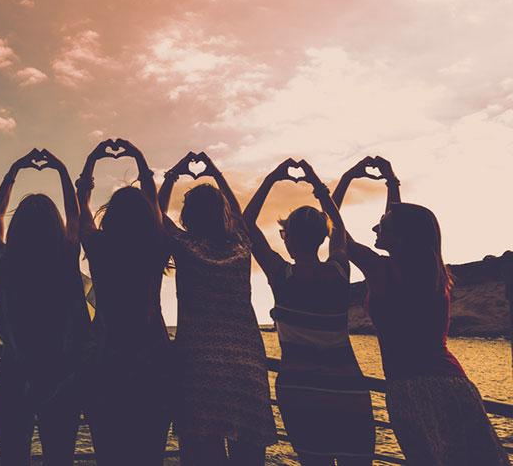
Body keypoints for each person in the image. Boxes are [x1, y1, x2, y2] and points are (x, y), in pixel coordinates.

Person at [335, 156, 508, 466]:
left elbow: (338, 235)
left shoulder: (382, 271)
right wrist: (391, 182)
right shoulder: (432, 273)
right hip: (455, 384)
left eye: (382, 225)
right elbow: (400, 221)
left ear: (400, 238)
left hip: (411, 389)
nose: (375, 226)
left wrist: (346, 178)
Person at [244, 158, 374, 466]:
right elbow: (339, 226)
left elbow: (246, 223)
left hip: (299, 391)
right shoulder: (340, 272)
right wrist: (317, 184)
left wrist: (272, 178)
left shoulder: (281, 276)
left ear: (287, 238)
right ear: (322, 237)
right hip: (348, 390)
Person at [158, 151, 276, 465]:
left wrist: (171, 176)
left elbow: (155, 212)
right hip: (246, 368)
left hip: (198, 368)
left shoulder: (186, 246)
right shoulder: (240, 245)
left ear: (187, 217)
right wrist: (214, 171)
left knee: (201, 456)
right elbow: (238, 214)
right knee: (248, 457)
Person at [0, 149, 91, 466]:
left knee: (12, 458)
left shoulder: (4, 263)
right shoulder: (64, 258)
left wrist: (13, 171)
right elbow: (74, 218)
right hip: (60, 377)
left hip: (13, 374)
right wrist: (60, 168)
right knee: (59, 457)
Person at [75, 138, 172, 466]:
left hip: (106, 360)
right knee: (151, 454)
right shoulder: (155, 244)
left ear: (111, 217)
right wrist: (139, 157)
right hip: (154, 358)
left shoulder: (100, 248)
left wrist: (92, 160)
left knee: (109, 453)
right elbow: (156, 207)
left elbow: (81, 207)